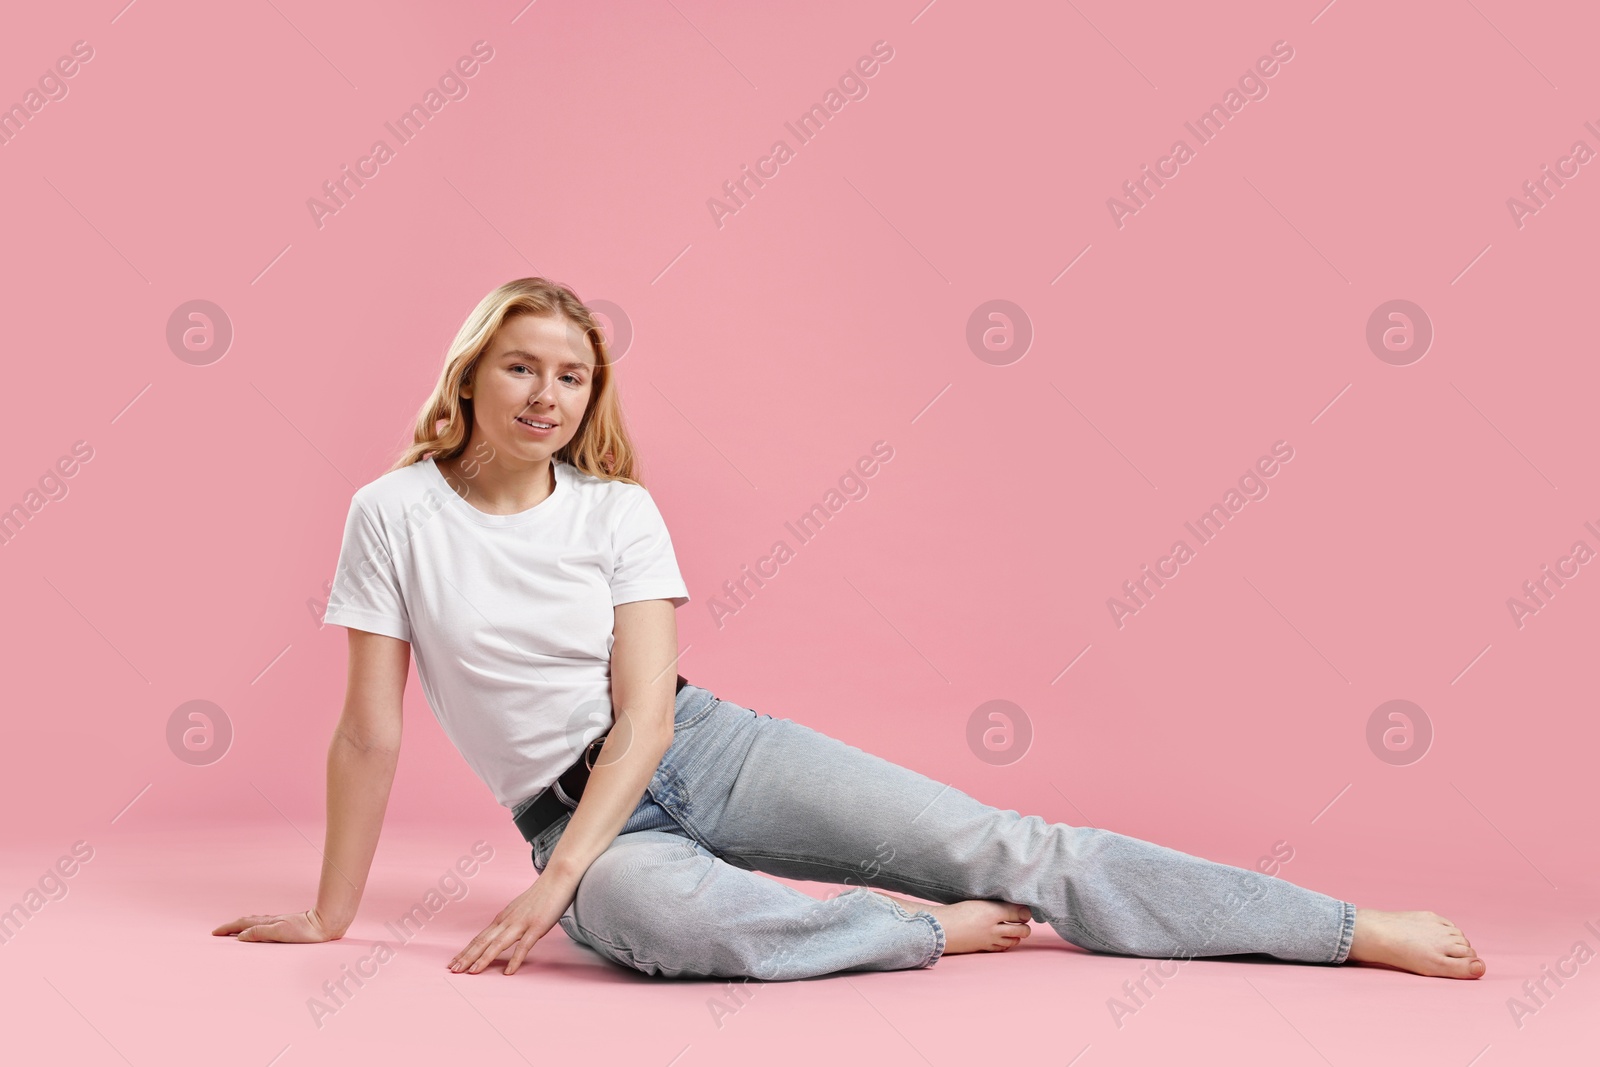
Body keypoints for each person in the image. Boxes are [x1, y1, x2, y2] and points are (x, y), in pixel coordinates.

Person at [213, 277, 1486, 982]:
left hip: (701, 748)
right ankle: (916, 929)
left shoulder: (617, 512)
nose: (548, 393)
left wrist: (551, 888)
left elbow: (648, 713)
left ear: (592, 391)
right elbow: (366, 730)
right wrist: (331, 917)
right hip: (562, 808)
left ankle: (1343, 924)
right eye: (523, 366)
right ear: (472, 374)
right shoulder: (392, 512)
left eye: (574, 372)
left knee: (1005, 840)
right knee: (680, 928)